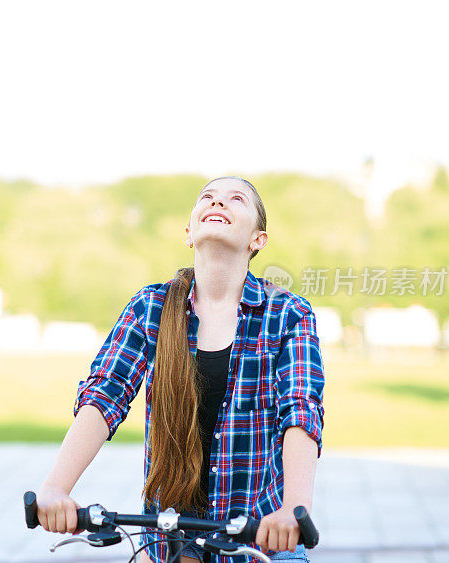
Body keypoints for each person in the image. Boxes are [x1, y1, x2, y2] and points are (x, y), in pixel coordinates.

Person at [35, 176, 325, 563]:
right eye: (207, 197)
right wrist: (56, 487)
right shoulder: (151, 307)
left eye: (235, 199)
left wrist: (294, 509)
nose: (218, 203)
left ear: (258, 239)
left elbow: (301, 407)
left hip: (259, 541)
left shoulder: (287, 313)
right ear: (189, 233)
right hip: (171, 539)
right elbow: (106, 392)